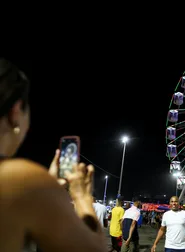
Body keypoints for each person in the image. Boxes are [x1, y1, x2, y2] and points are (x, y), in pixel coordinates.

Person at [0, 58, 106, 251]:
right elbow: (94, 248)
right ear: (16, 112)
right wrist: (82, 196)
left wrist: (46, 187)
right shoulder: (15, 176)